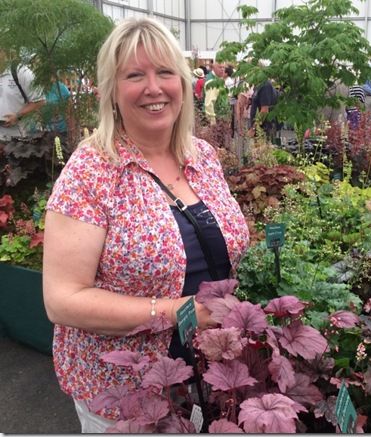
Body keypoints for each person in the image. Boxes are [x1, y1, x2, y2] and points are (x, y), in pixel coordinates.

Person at [42, 17, 250, 432]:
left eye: (165, 72)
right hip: (128, 396)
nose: (154, 88)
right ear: (112, 92)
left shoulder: (203, 156)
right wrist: (176, 311)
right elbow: (62, 300)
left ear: (184, 83)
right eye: (135, 75)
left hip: (211, 380)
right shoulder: (92, 171)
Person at [0, 50, 45, 141]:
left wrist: (17, 115)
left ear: (3, 52)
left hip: (22, 135)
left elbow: (40, 101)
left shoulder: (21, 71)